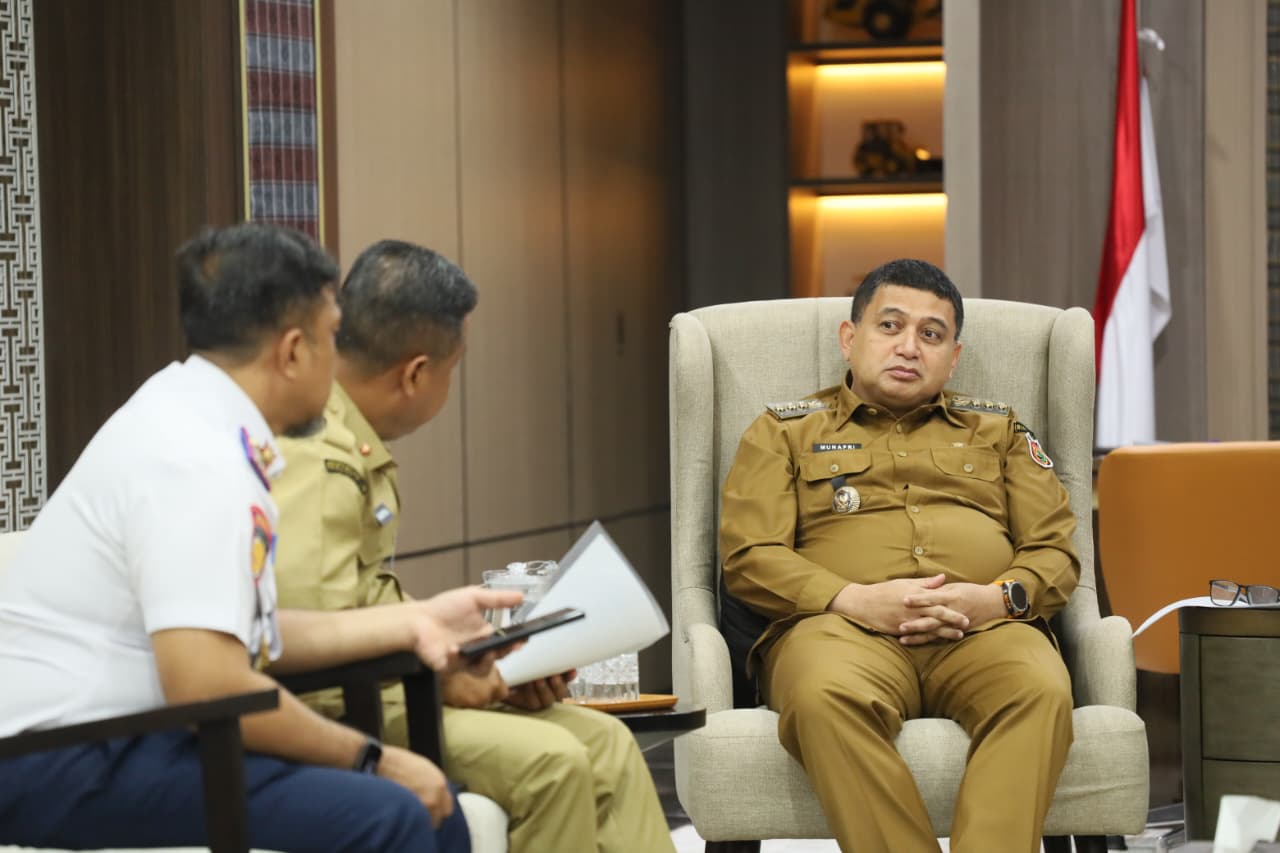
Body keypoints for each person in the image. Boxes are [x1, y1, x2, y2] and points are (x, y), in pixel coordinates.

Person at [0, 223, 521, 853]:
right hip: (59, 760)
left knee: (435, 810)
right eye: (333, 337)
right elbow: (208, 684)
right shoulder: (196, 456)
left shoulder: (192, 413)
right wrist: (374, 759)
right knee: (398, 814)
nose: (340, 364)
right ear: (294, 352)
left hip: (117, 740)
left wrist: (415, 622)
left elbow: (244, 635)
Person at [270, 239, 676, 853]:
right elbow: (308, 637)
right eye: (452, 368)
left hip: (397, 681)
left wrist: (477, 663)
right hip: (345, 707)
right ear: (416, 373)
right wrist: (441, 680)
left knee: (609, 743)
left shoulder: (349, 438)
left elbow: (360, 602)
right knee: (554, 762)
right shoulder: (319, 455)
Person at [719, 258, 1079, 853]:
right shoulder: (783, 432)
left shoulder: (1000, 431)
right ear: (849, 337)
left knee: (1040, 689)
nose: (909, 347)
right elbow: (751, 555)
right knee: (821, 697)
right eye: (890, 326)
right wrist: (854, 600)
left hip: (984, 629)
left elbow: (1054, 549)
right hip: (837, 631)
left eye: (931, 334)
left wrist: (994, 599)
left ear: (953, 358)